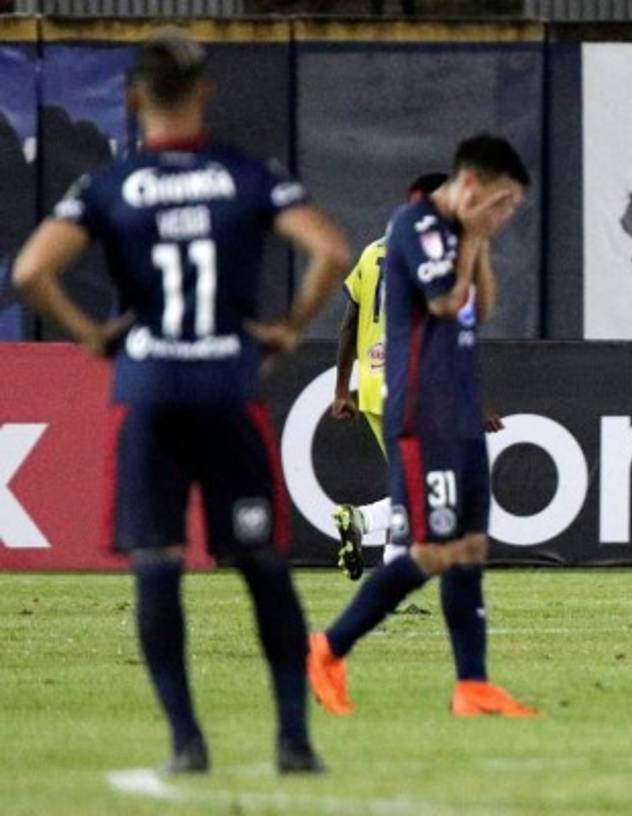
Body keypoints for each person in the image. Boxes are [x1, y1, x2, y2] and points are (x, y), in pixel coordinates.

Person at [12, 30, 351, 774]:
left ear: (134, 100)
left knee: (158, 565)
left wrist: (96, 336)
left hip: (151, 393)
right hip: (228, 390)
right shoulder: (246, 173)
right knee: (261, 562)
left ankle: (186, 744)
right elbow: (330, 251)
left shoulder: (109, 185)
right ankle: (293, 740)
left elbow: (33, 271)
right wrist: (288, 327)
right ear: (204, 93)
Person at [307, 134, 538, 717]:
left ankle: (473, 685)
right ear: (472, 186)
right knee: (437, 550)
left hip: (458, 410)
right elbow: (442, 301)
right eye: (503, 203)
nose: (506, 217)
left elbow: (478, 307)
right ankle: (328, 648)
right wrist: (473, 241)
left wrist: (477, 240)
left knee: (471, 547)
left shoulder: (461, 234)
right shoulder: (413, 226)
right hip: (422, 414)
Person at [331, 172, 447, 580]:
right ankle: (362, 523)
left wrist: (342, 389)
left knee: (413, 486)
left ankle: (383, 567)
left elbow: (349, 322)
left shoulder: (371, 253)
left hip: (374, 389)